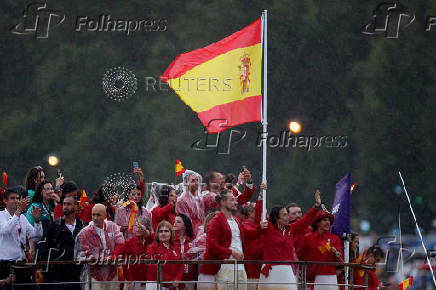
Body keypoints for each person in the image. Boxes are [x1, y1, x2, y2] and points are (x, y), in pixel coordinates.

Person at [258, 186, 321, 290]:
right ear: (276, 218)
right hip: (271, 271)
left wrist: (316, 206)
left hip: (287, 271)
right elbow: (258, 215)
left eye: (287, 214)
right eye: (284, 215)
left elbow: (305, 221)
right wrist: (261, 196)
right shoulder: (267, 228)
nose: (288, 217)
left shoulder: (291, 228)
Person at [201, 189, 248, 290]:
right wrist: (232, 252)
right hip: (225, 268)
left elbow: (249, 236)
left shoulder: (237, 221)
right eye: (231, 200)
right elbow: (212, 246)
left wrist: (261, 227)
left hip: (240, 267)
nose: (235, 202)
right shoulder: (215, 222)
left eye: (234, 199)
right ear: (222, 202)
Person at [0, 188, 42, 289]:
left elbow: (36, 236)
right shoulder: (1, 216)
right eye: (12, 198)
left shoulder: (22, 218)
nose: (16, 201)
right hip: (5, 265)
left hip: (22, 264)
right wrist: (18, 212)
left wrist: (37, 221)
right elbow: (5, 230)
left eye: (18, 198)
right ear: (5, 201)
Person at [75, 204, 124, 290]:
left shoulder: (112, 226)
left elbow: (120, 244)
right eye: (93, 214)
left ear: (105, 216)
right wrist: (99, 258)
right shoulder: (84, 233)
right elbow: (82, 253)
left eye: (98, 215)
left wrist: (113, 257)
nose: (95, 218)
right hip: (94, 276)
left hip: (112, 274)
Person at [45, 195, 86, 290]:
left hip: (78, 276)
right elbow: (46, 249)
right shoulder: (54, 226)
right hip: (59, 277)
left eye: (69, 204)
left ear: (76, 206)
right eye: (64, 204)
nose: (65, 207)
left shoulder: (83, 226)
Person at [297, 211, 343, 290]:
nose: (327, 222)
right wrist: (302, 270)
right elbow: (299, 255)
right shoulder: (308, 238)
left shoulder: (335, 238)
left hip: (330, 277)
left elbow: (340, 261)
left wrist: (336, 253)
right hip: (312, 277)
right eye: (324, 220)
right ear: (317, 223)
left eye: (329, 220)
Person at [115, 215, 153, 290]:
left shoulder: (152, 241)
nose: (137, 229)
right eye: (136, 226)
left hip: (150, 281)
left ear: (147, 229)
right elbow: (122, 261)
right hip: (134, 282)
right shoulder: (130, 242)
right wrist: (130, 280)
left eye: (140, 227)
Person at [146, 221, 184, 290]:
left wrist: (177, 280)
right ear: (157, 234)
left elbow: (181, 265)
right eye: (161, 231)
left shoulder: (176, 247)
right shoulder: (152, 248)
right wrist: (171, 281)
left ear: (171, 233)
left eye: (166, 231)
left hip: (173, 286)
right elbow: (154, 269)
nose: (163, 234)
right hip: (156, 284)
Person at [176, 170, 205, 236]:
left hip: (200, 233)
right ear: (186, 183)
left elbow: (202, 218)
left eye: (197, 180)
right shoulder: (182, 200)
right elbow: (186, 222)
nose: (196, 183)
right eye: (193, 181)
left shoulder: (200, 199)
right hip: (189, 235)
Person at [174, 213, 196, 290]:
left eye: (178, 222)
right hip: (174, 281)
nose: (175, 223)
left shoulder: (194, 240)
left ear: (185, 225)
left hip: (190, 280)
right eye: (174, 221)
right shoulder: (170, 240)